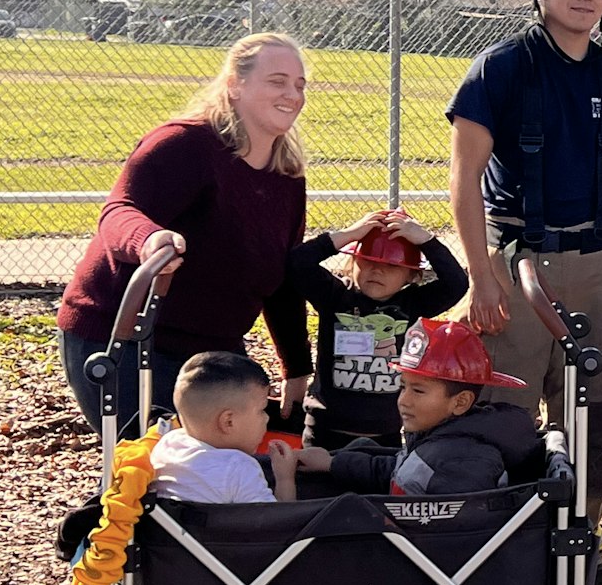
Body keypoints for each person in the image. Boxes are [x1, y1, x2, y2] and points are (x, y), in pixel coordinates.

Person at [447, 0, 602, 585]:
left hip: (598, 263)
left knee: (592, 419)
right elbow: (463, 182)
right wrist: (481, 277)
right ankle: (506, 553)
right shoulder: (500, 71)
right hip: (518, 268)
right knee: (504, 420)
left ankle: (580, 546)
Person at [58, 34, 313, 439]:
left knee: (230, 462)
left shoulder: (285, 176)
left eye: (299, 84)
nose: (292, 94)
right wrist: (149, 240)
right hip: (127, 336)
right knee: (154, 470)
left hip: (214, 346)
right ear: (235, 84)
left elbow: (282, 278)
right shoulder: (185, 145)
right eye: (277, 81)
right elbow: (118, 212)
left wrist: (297, 368)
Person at [285, 209, 467, 450]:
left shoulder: (412, 304)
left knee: (376, 487)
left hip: (384, 434)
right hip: (324, 430)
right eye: (368, 261)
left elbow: (457, 283)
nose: (377, 271)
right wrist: (351, 234)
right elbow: (297, 263)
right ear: (352, 263)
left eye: (391, 266)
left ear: (412, 275)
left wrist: (426, 241)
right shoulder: (334, 296)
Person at [307, 318, 544, 498]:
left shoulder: (464, 460)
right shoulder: (437, 434)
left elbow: (453, 532)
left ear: (460, 402)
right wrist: (332, 463)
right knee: (362, 447)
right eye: (403, 387)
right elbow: (401, 471)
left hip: (420, 557)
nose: (404, 400)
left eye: (418, 391)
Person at [150, 352, 297, 504]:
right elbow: (277, 522)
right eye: (262, 410)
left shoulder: (167, 443)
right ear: (228, 422)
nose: (267, 418)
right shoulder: (239, 468)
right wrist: (285, 478)